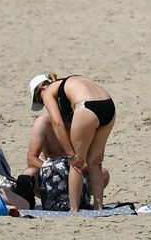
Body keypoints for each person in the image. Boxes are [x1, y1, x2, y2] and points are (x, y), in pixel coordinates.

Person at [29, 73, 115, 213]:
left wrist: (70, 155)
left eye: (40, 101)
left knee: (76, 163)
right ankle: (98, 207)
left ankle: (73, 209)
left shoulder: (47, 92)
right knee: (96, 162)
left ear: (41, 89)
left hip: (86, 106)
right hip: (108, 104)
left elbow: (57, 123)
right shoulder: (67, 83)